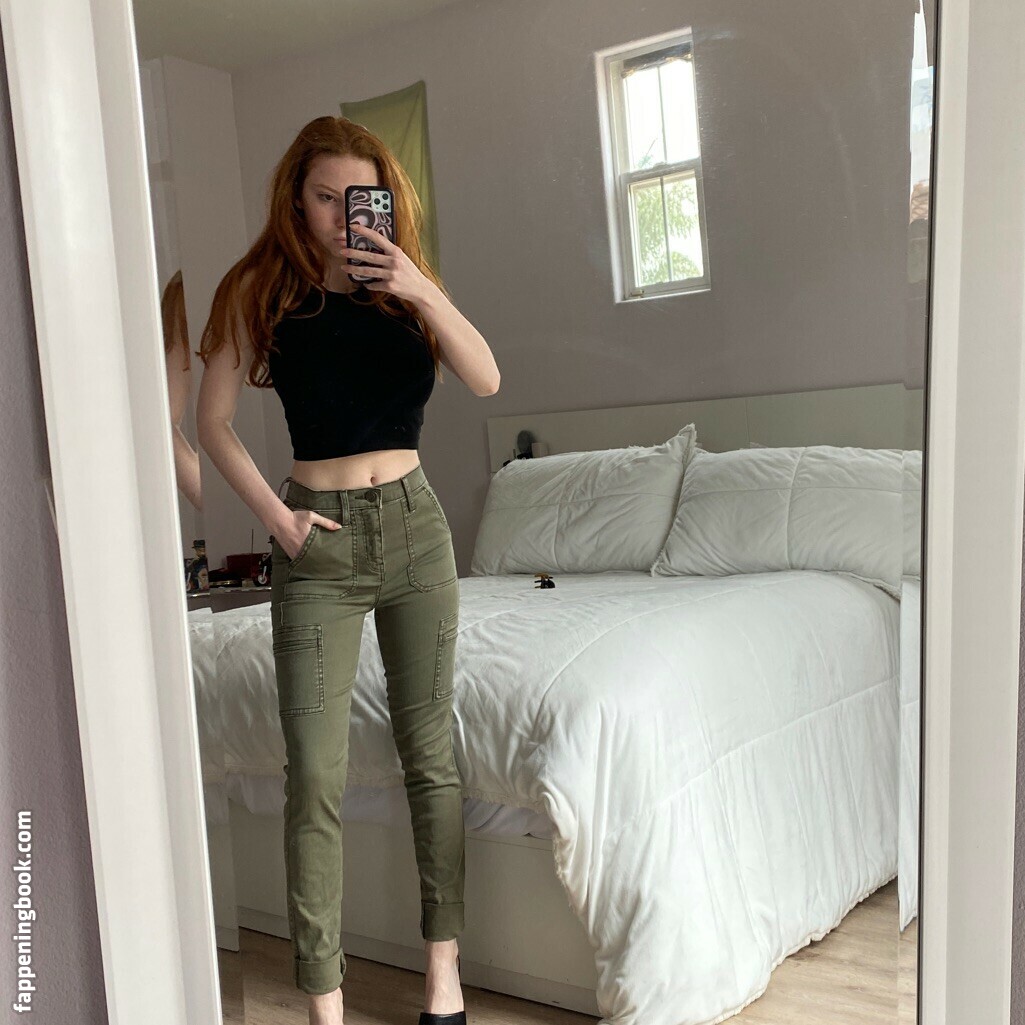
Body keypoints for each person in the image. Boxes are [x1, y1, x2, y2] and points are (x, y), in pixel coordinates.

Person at [196, 115, 500, 1025]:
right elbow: (210, 422)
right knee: (314, 776)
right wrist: (276, 520)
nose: (340, 215)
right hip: (316, 544)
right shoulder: (258, 288)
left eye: (356, 197)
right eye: (324, 196)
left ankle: (442, 976)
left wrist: (417, 285)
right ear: (297, 198)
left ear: (383, 201)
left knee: (430, 756)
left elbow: (486, 377)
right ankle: (324, 1005)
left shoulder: (404, 283)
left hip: (415, 530)